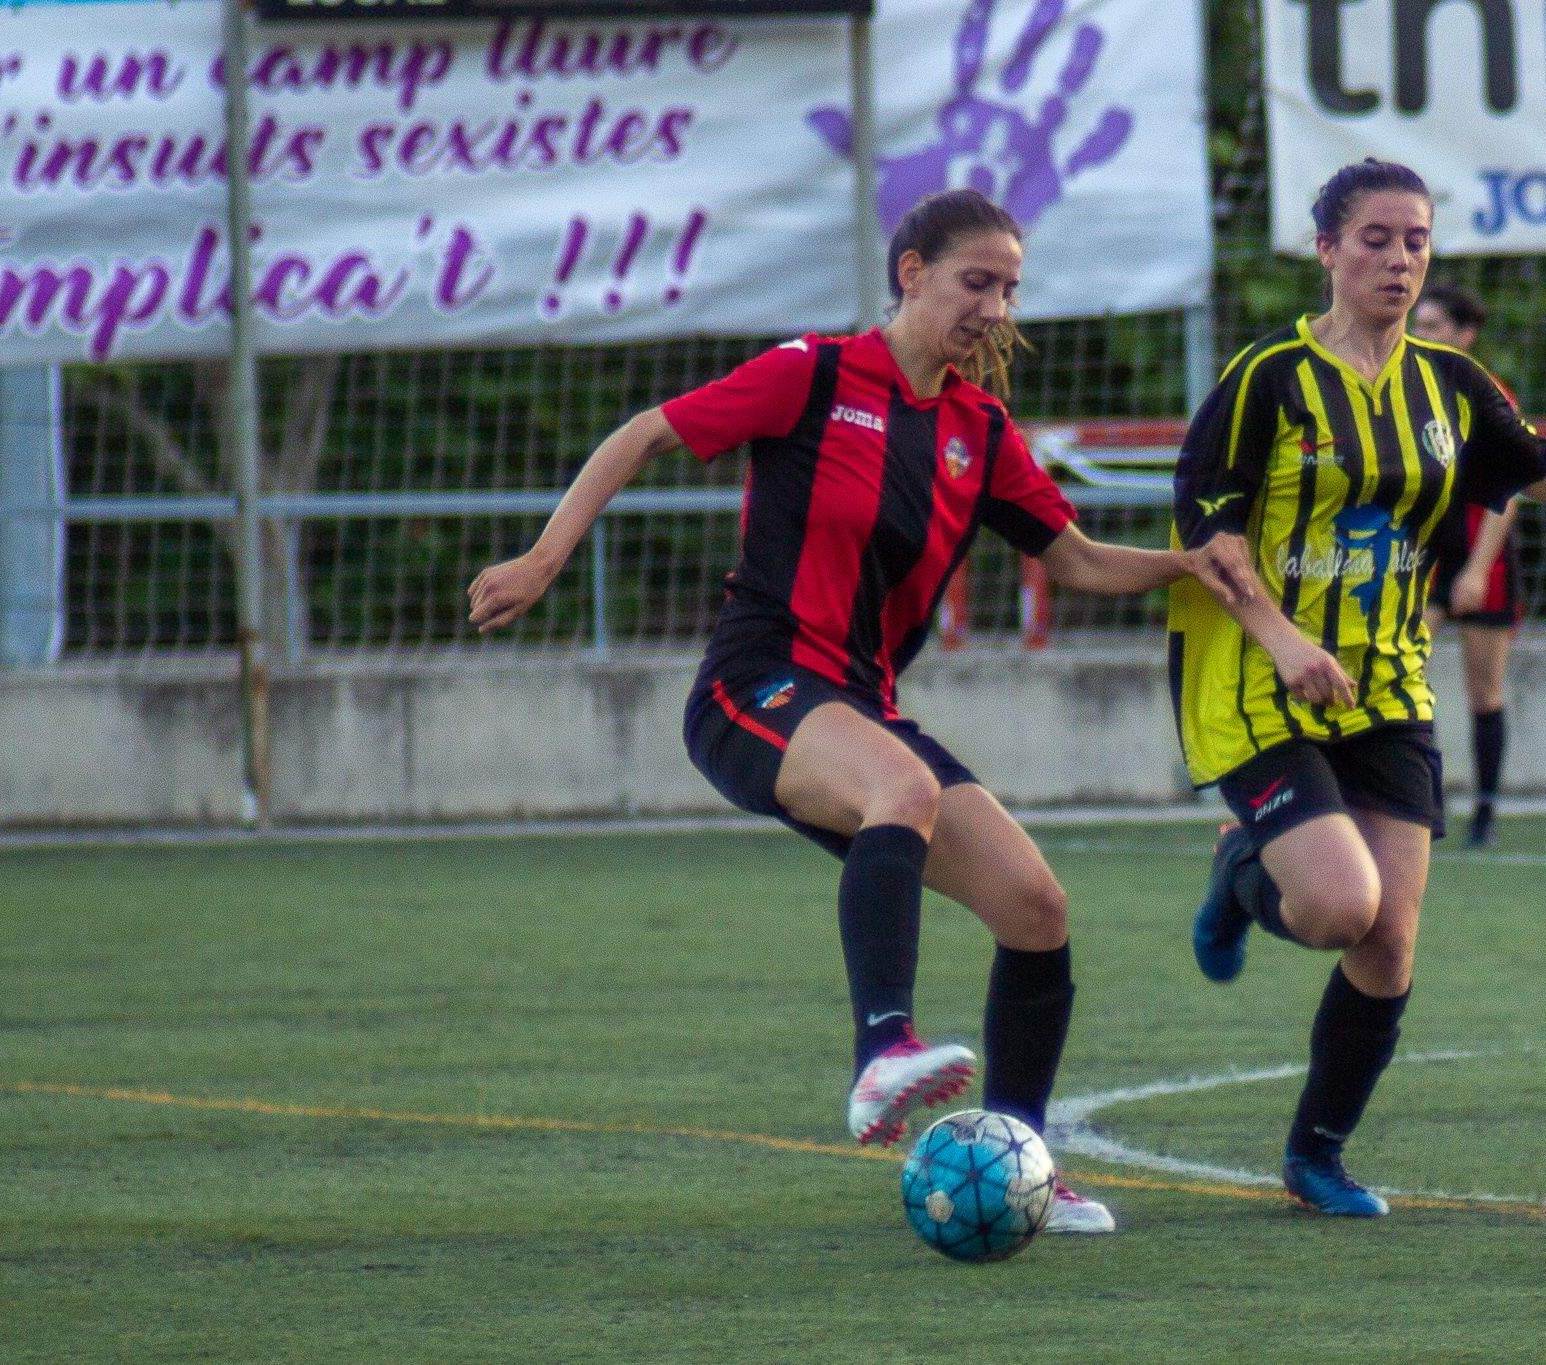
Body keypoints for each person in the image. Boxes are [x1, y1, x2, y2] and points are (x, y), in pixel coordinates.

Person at [469, 188, 1241, 1235]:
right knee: (901, 785)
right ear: (909, 273)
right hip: (758, 686)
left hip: (861, 706)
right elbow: (645, 433)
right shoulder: (814, 374)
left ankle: (1021, 1159)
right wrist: (544, 556)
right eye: (976, 282)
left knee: (1036, 910)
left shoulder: (977, 426)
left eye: (1009, 289)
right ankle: (882, 1051)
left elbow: (1074, 559)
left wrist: (1192, 568)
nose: (994, 307)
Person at [1167, 158, 1546, 1218]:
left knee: (1388, 944)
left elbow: (1531, 465)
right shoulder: (1264, 380)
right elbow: (1204, 536)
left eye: (1415, 241)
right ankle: (1239, 879)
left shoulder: (1447, 385)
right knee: (1337, 908)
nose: (1397, 259)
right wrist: (1280, 635)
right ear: (1326, 252)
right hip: (1261, 681)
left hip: (1387, 683)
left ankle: (1315, 1155)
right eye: (1374, 239)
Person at [1413, 282, 1521, 847]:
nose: (1419, 335)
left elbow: (1510, 489)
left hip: (1483, 551)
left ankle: (1485, 809)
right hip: (1427, 555)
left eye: (1431, 325)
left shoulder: (1487, 395)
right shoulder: (1406, 390)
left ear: (1463, 334)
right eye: (1418, 324)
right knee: (1401, 677)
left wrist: (1477, 569)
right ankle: (1421, 802)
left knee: (1485, 691)